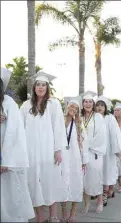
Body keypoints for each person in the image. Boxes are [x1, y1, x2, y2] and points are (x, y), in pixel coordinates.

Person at [20, 71, 67, 222]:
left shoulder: (54, 104)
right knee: (33, 182)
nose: (41, 87)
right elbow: (19, 127)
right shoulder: (26, 105)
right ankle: (40, 217)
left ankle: (53, 216)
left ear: (47, 88)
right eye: (38, 85)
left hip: (48, 151)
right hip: (31, 152)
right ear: (34, 88)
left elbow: (58, 127)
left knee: (50, 182)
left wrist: (58, 150)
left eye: (43, 85)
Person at [0, 67, 35, 222]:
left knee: (9, 199)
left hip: (5, 161)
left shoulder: (9, 103)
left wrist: (6, 159)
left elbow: (14, 133)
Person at [61, 97, 89, 222]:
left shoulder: (79, 124)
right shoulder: (60, 121)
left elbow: (84, 143)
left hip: (75, 158)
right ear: (67, 107)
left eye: (76, 108)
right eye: (72, 106)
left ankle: (73, 212)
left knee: (75, 183)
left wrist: (84, 160)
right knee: (62, 184)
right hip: (62, 158)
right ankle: (64, 213)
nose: (73, 109)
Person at [80, 91, 107, 214]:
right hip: (82, 154)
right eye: (85, 101)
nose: (88, 104)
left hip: (94, 152)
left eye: (90, 101)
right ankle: (87, 204)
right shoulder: (79, 117)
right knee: (84, 179)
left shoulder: (98, 117)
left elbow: (101, 136)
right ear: (82, 103)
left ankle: (100, 202)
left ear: (93, 104)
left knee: (96, 178)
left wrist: (87, 145)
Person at [95, 96, 121, 206]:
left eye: (102, 105)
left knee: (106, 171)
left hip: (108, 150)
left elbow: (114, 135)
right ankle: (102, 192)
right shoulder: (93, 117)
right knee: (98, 172)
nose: (100, 107)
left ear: (105, 107)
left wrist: (116, 150)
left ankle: (105, 194)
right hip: (96, 150)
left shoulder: (109, 118)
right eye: (98, 105)